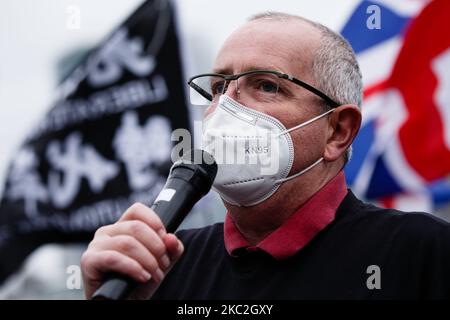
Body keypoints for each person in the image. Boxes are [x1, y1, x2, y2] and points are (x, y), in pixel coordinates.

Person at [81, 12, 450, 299]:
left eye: (267, 85)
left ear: (337, 131)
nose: (225, 107)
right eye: (219, 87)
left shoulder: (422, 253)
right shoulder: (167, 263)